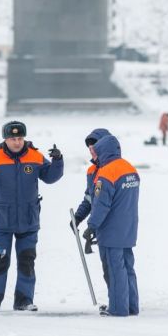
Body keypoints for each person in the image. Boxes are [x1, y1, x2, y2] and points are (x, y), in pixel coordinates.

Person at [0, 121, 64, 312]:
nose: (17, 142)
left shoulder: (35, 156)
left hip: (29, 220)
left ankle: (24, 301)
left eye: (20, 138)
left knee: (27, 261)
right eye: (12, 139)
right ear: (5, 139)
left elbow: (50, 177)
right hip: (3, 221)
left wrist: (58, 160)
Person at [83, 134, 140, 317]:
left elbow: (101, 204)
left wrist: (92, 225)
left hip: (111, 230)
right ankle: (131, 306)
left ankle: (118, 308)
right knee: (128, 268)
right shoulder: (130, 169)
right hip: (128, 228)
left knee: (115, 270)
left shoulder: (106, 173)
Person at [71, 128, 112, 310]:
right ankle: (118, 300)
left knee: (115, 266)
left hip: (111, 225)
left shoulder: (111, 169)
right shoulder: (91, 171)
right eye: (89, 147)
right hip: (98, 226)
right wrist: (79, 216)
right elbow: (90, 198)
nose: (91, 150)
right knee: (108, 267)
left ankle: (119, 302)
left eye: (94, 146)